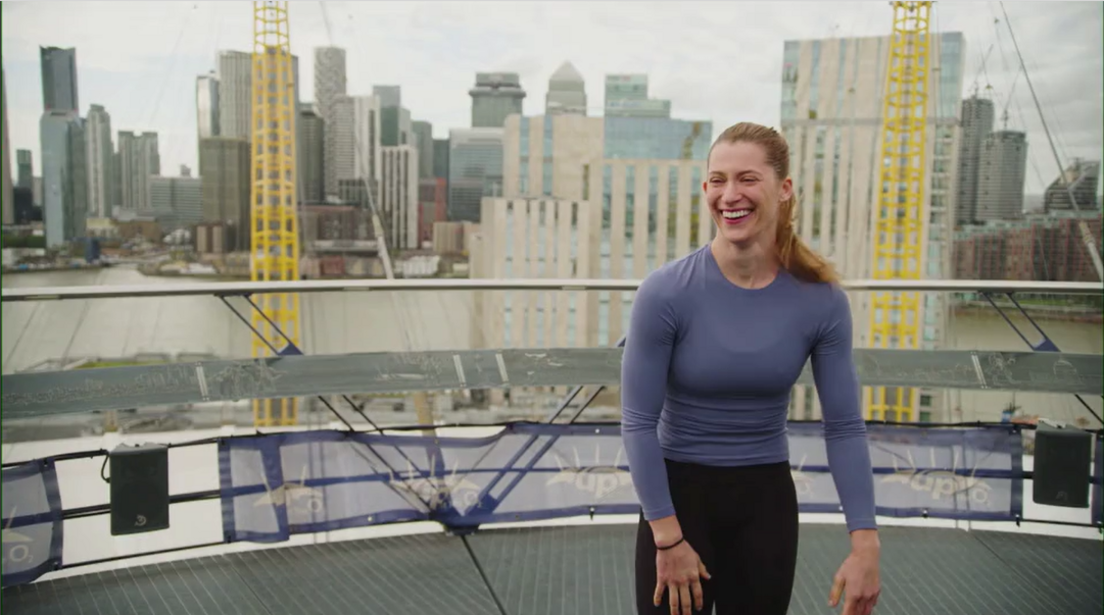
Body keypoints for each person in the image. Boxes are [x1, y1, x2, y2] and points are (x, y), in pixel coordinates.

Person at [620, 122, 881, 615]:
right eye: (717, 180)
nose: (729, 194)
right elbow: (636, 423)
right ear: (705, 190)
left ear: (784, 190)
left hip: (766, 504)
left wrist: (865, 544)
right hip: (679, 504)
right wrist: (668, 539)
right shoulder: (665, 293)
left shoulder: (822, 301)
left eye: (747, 178)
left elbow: (844, 426)